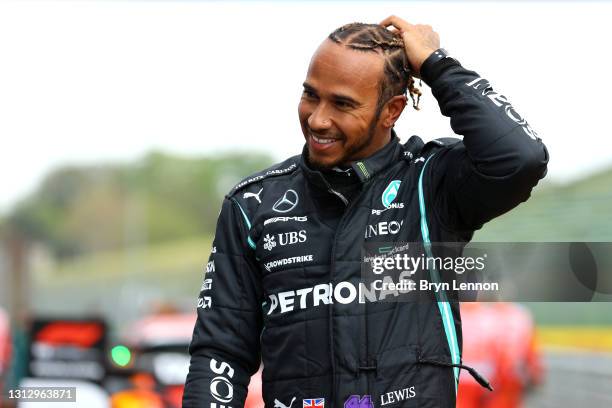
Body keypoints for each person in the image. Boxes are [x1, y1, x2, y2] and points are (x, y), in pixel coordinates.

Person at [183, 15, 548, 408]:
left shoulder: (430, 183)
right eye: (310, 95)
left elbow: (519, 158)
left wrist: (436, 65)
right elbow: (220, 354)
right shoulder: (252, 204)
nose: (318, 119)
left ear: (391, 111)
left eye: (342, 104)